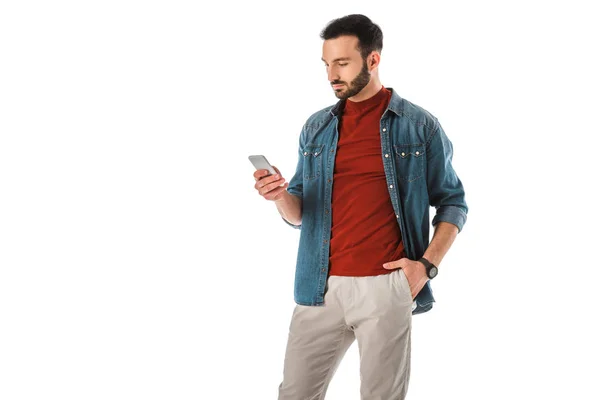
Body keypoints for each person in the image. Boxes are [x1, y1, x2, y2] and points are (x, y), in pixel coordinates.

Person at [252, 14, 468, 400]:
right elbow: (299, 214)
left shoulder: (419, 126)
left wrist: (426, 266)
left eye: (343, 62)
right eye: (327, 64)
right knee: (295, 393)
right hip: (319, 287)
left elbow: (453, 202)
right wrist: (279, 195)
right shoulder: (316, 127)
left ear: (372, 60)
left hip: (386, 287)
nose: (332, 74)